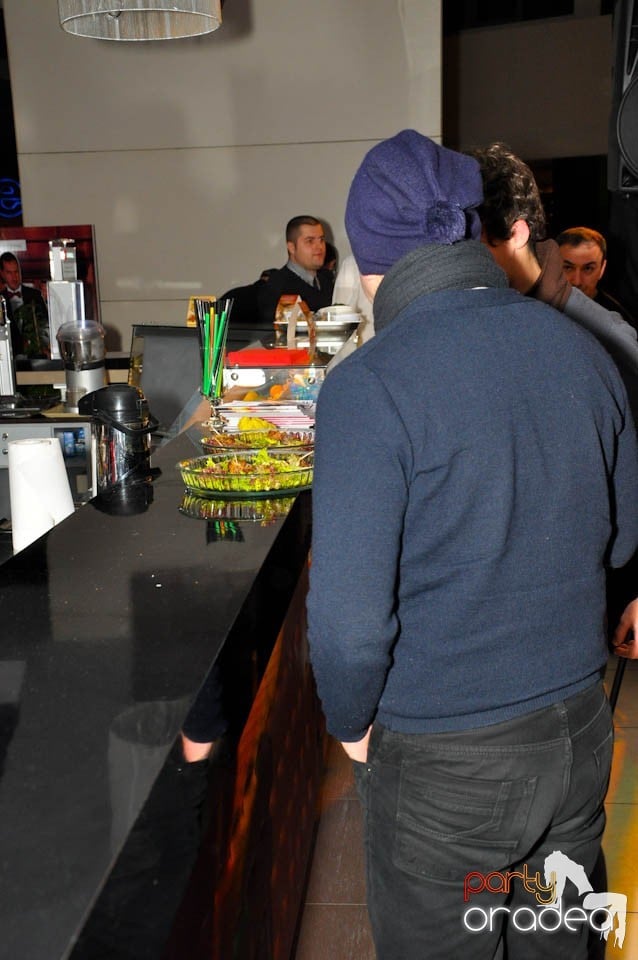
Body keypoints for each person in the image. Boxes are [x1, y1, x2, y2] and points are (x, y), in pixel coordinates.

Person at [306, 129, 638, 959]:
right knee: (552, 938)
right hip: (578, 737)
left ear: (368, 260)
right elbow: (625, 537)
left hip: (447, 772)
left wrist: (350, 724)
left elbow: (349, 626)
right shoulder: (585, 350)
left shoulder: (368, 387)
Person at [469, 144, 638, 425]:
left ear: (516, 234)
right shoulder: (476, 322)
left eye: (474, 244)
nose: (461, 259)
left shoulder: (608, 338)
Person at [256, 215, 334, 326]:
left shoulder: (327, 281)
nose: (319, 247)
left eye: (321, 240)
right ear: (292, 248)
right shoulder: (277, 287)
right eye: (310, 241)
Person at [557, 226, 637, 331]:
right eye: (568, 267)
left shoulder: (618, 324)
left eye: (588, 268)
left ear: (602, 269)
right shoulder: (540, 303)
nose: (577, 281)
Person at [0, 251, 50, 359]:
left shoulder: (35, 295)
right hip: (11, 358)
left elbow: (46, 323)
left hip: (37, 357)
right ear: (2, 274)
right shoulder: (0, 299)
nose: (14, 277)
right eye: (9, 273)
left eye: (16, 272)